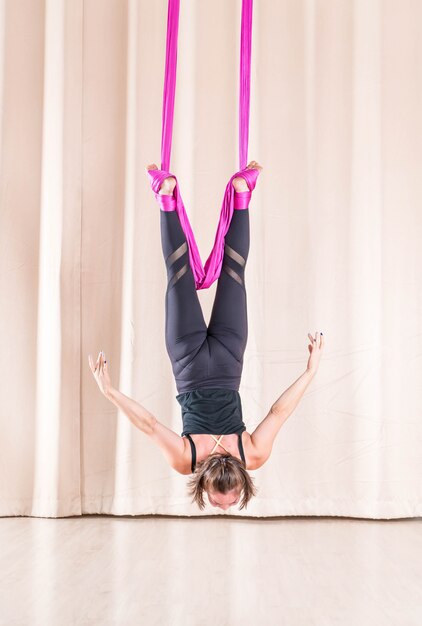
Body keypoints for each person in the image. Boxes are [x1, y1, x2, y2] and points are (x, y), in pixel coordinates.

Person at [88, 160, 325, 511]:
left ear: (241, 481)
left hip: (229, 359)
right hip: (188, 363)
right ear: (205, 485)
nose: (224, 506)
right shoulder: (187, 460)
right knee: (177, 274)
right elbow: (148, 424)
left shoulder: (252, 455)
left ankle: (242, 195)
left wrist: (310, 372)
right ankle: (167, 198)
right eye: (224, 502)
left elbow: (278, 412)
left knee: (234, 272)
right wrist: (109, 393)